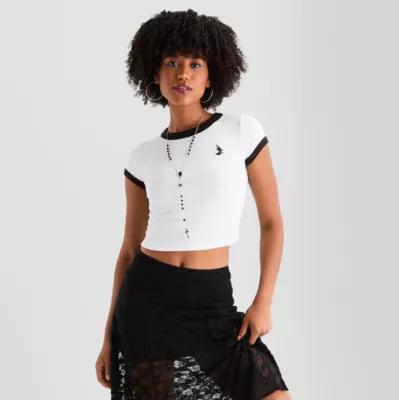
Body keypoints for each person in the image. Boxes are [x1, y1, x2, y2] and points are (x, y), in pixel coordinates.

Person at [95, 9, 292, 400]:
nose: (182, 74)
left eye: (195, 64)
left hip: (212, 302)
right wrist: (107, 337)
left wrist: (263, 301)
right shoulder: (142, 157)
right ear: (154, 75)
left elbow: (272, 222)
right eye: (172, 63)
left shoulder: (240, 131)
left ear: (210, 76)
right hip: (147, 305)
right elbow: (130, 249)